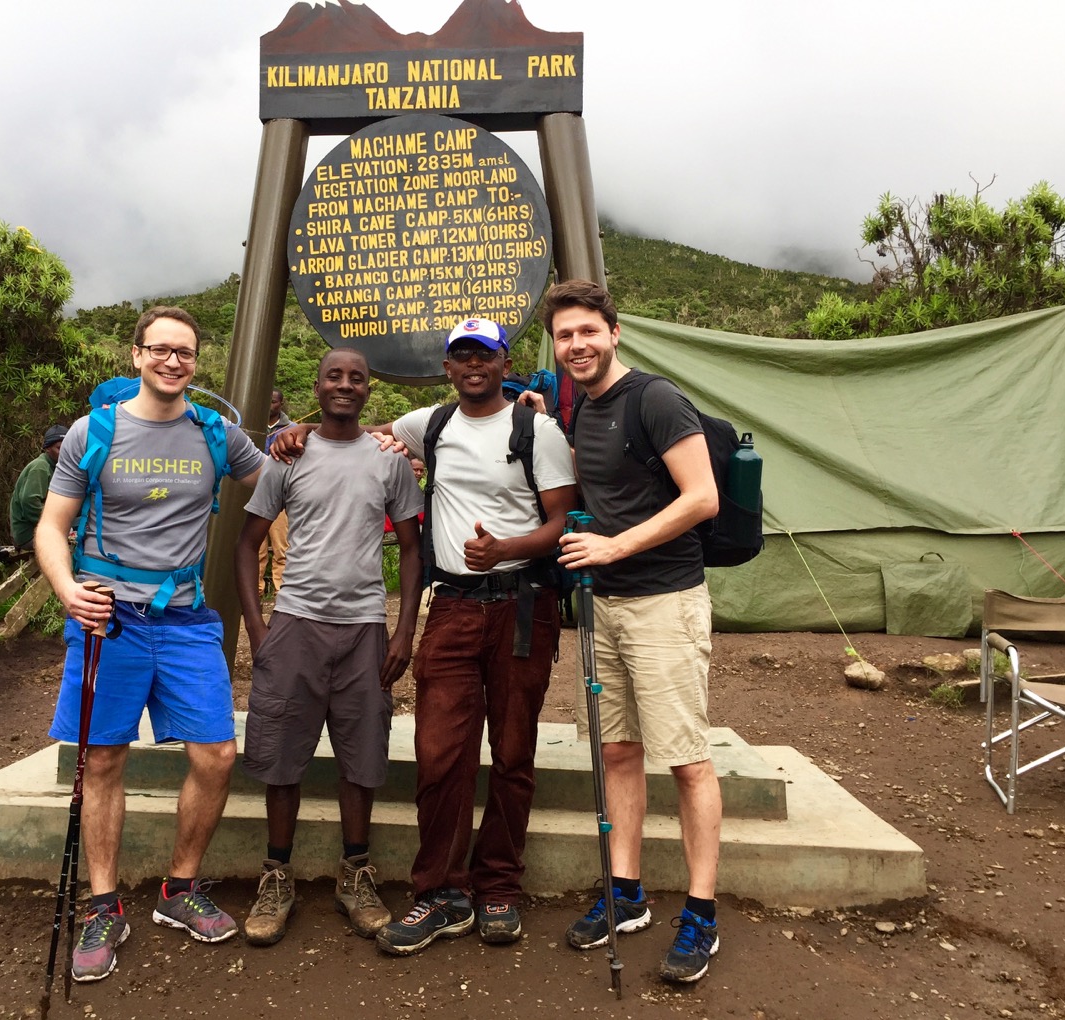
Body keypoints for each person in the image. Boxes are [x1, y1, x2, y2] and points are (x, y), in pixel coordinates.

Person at [276, 317, 576, 955]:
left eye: (485, 355)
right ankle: (440, 891)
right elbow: (356, 433)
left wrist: (508, 549)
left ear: (505, 361)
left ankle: (498, 887)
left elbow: (561, 519)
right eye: (461, 356)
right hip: (453, 608)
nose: (473, 366)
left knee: (514, 750)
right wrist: (294, 432)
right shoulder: (428, 425)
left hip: (524, 603)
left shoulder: (537, 430)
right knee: (442, 752)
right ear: (447, 367)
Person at [34, 305, 265, 983]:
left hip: (188, 615)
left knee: (217, 755)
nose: (173, 361)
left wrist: (354, 443)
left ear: (197, 363)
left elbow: (280, 477)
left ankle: (178, 889)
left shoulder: (216, 433)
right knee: (103, 760)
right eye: (160, 350)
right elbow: (53, 526)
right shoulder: (94, 431)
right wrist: (66, 590)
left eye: (185, 353)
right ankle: (104, 904)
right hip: (108, 618)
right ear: (136, 356)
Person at [544, 280, 724, 984]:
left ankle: (702, 916)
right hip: (606, 606)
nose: (578, 345)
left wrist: (617, 547)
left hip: (664, 603)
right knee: (618, 752)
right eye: (565, 336)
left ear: (614, 332)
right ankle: (627, 895)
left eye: (588, 331)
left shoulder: (655, 399)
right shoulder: (583, 410)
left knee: (685, 759)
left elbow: (702, 497)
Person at [233, 348, 423, 946]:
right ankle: (276, 876)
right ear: (315, 386)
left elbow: (413, 549)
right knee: (281, 750)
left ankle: (356, 874)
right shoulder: (286, 457)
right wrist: (258, 631)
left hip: (365, 627)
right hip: (295, 624)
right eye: (334, 377)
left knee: (362, 756)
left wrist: (403, 630)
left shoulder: (389, 461)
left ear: (370, 390)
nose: (345, 385)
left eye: (357, 378)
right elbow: (247, 545)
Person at [8, 424, 68, 550]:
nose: (63, 452)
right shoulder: (40, 467)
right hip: (28, 535)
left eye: (67, 448)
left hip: (43, 529)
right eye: (59, 448)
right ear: (47, 448)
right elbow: (29, 502)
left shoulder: (57, 468)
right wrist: (58, 524)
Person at [258, 389, 293, 595]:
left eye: (273, 401)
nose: (270, 405)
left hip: (280, 497)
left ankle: (282, 592)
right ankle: (256, 591)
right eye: (266, 401)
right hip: (253, 494)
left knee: (283, 547)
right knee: (257, 548)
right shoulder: (252, 425)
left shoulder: (292, 429)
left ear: (281, 403)